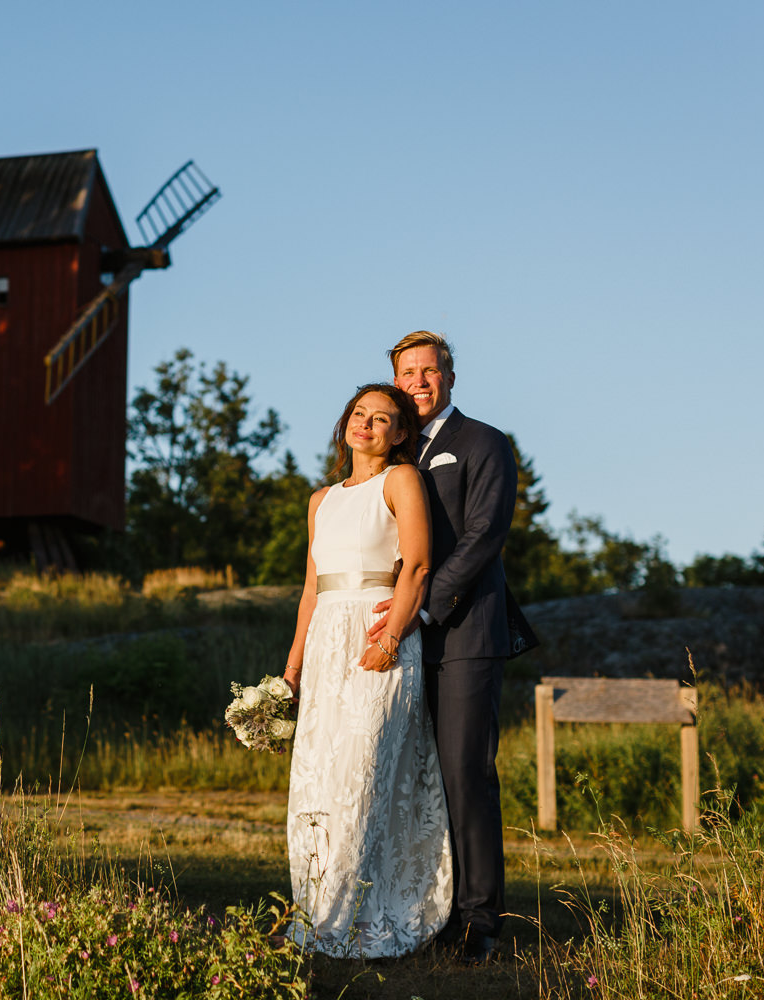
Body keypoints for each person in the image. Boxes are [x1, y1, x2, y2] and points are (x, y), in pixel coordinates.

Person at [281, 382, 453, 959]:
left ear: (400, 434)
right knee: (320, 780)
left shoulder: (401, 481)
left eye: (382, 419)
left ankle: (359, 917)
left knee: (364, 775)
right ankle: (318, 912)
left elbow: (420, 563)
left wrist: (392, 638)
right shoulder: (320, 499)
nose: (367, 425)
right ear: (345, 423)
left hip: (377, 640)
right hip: (327, 647)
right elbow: (311, 590)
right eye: (359, 414)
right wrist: (292, 668)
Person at [369, 330, 523, 965]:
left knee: (465, 775)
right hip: (400, 638)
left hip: (464, 632)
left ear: (450, 378)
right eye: (408, 373)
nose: (419, 383)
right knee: (414, 777)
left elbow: (485, 534)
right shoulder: (390, 455)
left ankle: (479, 921)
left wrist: (426, 607)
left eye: (430, 371)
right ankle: (423, 910)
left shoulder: (484, 443)